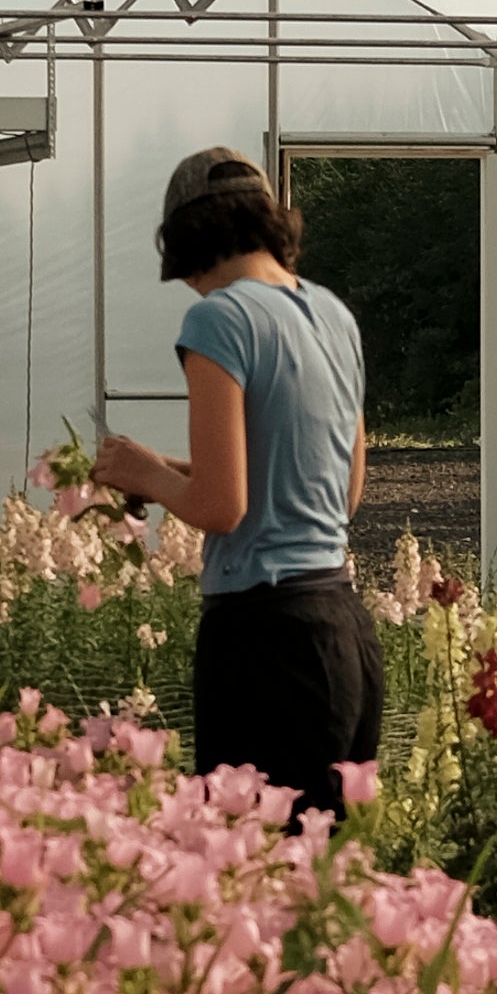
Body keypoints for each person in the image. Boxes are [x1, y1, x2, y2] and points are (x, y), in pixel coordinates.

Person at [91, 146, 382, 821]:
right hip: (342, 635)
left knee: (246, 864)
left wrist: (145, 474)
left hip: (266, 640)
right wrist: (162, 469)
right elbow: (339, 490)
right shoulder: (333, 315)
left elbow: (222, 506)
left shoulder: (219, 318)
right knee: (321, 867)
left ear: (188, 241)